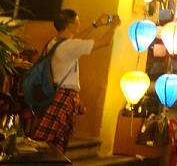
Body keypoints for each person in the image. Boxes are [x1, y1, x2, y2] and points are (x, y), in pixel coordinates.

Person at [31, 9, 120, 152]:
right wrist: (114, 25)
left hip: (54, 93)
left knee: (48, 137)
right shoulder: (71, 47)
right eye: (77, 21)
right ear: (69, 26)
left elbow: (73, 41)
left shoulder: (53, 43)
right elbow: (106, 41)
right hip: (65, 96)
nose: (79, 24)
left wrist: (95, 26)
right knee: (57, 139)